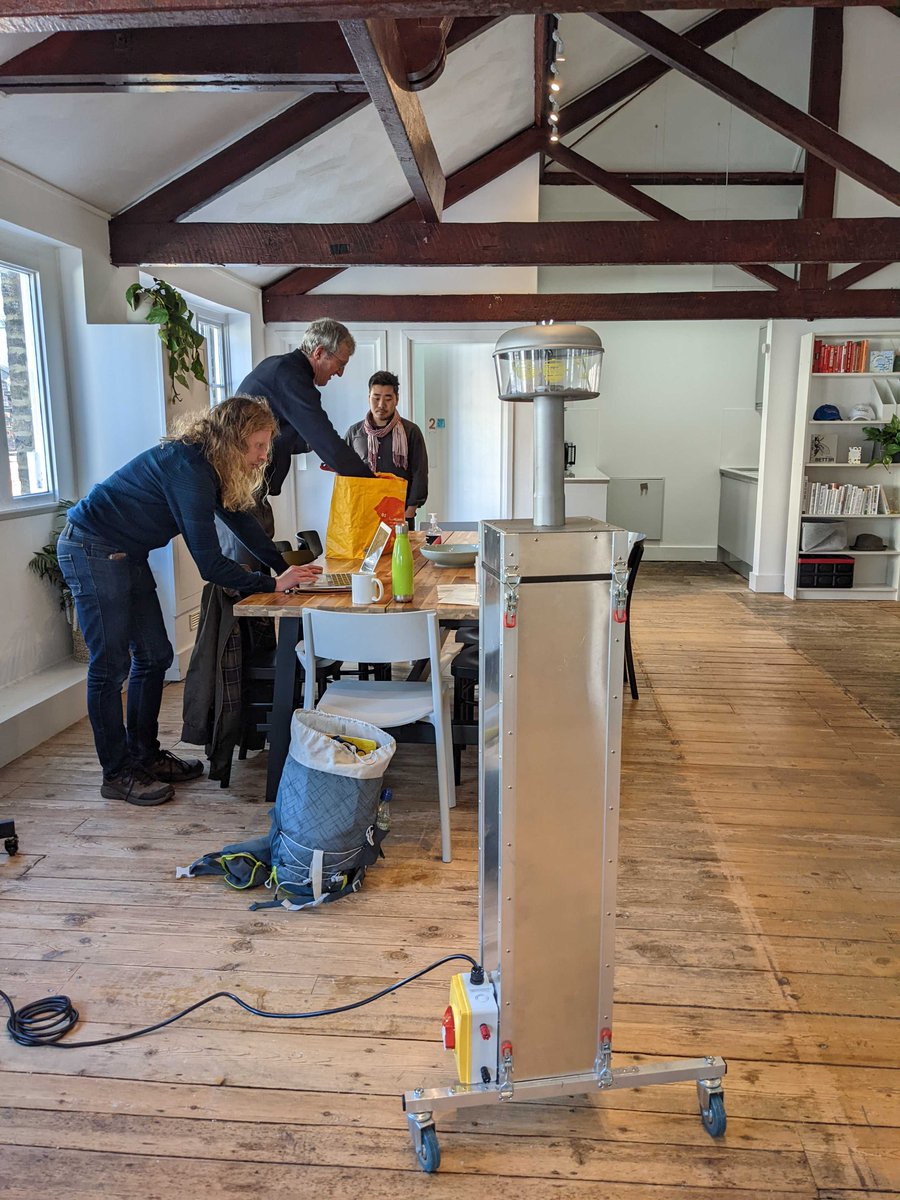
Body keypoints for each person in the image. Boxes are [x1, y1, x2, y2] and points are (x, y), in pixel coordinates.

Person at [57, 396, 322, 807]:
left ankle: (144, 755)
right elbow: (211, 565)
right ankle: (117, 772)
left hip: (127, 552)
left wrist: (286, 569)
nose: (262, 456)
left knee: (156, 656)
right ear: (233, 441)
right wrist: (271, 582)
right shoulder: (189, 470)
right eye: (257, 446)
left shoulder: (209, 466)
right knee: (111, 668)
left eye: (265, 447)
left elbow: (241, 522)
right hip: (91, 548)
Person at [231, 318, 374, 545]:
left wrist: (320, 450)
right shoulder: (291, 376)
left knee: (257, 561)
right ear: (319, 353)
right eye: (340, 364)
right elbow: (324, 438)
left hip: (245, 487)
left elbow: (290, 434)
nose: (340, 373)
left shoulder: (281, 367)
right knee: (247, 570)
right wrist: (372, 482)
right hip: (239, 489)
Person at [344, 371, 429, 522]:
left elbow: (420, 473)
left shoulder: (411, 431)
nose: (381, 405)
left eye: (388, 398)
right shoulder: (354, 433)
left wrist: (409, 512)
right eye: (376, 398)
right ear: (368, 398)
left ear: (397, 399)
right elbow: (344, 475)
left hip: (400, 514)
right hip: (362, 513)